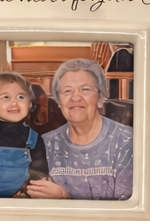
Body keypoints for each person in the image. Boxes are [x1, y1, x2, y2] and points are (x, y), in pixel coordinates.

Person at [25, 58, 133, 201]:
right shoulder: (46, 143)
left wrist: (65, 197)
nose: (75, 97)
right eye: (67, 91)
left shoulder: (127, 141)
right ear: (58, 100)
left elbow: (127, 213)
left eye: (85, 89)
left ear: (100, 96)